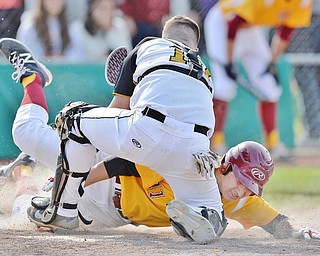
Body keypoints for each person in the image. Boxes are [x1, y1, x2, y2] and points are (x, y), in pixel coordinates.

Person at [0, 15, 223, 243]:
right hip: (193, 152)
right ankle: (211, 214)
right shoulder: (206, 74)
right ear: (195, 48)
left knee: (68, 119)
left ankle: (58, 205)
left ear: (164, 38)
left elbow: (115, 111)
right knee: (211, 210)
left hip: (134, 145)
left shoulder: (149, 45)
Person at [1, 143, 319, 240]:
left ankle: (32, 170)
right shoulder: (187, 165)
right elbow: (124, 162)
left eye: (251, 186)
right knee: (30, 208)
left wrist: (305, 233)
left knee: (44, 214)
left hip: (113, 215)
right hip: (105, 185)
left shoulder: (239, 201)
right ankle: (23, 170)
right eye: (241, 180)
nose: (243, 190)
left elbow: (278, 223)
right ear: (224, 166)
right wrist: (72, 185)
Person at [203, 0, 313, 159]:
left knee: (268, 84)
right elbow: (234, 25)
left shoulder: (302, 2)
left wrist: (272, 62)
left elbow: (285, 32)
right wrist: (228, 62)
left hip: (250, 27)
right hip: (222, 24)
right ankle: (216, 144)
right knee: (224, 86)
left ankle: (273, 145)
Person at [16, 0, 83, 62]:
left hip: (65, 73)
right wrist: (50, 60)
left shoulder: (72, 29)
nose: (54, 2)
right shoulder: (30, 28)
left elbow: (76, 57)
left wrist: (61, 60)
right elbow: (28, 59)